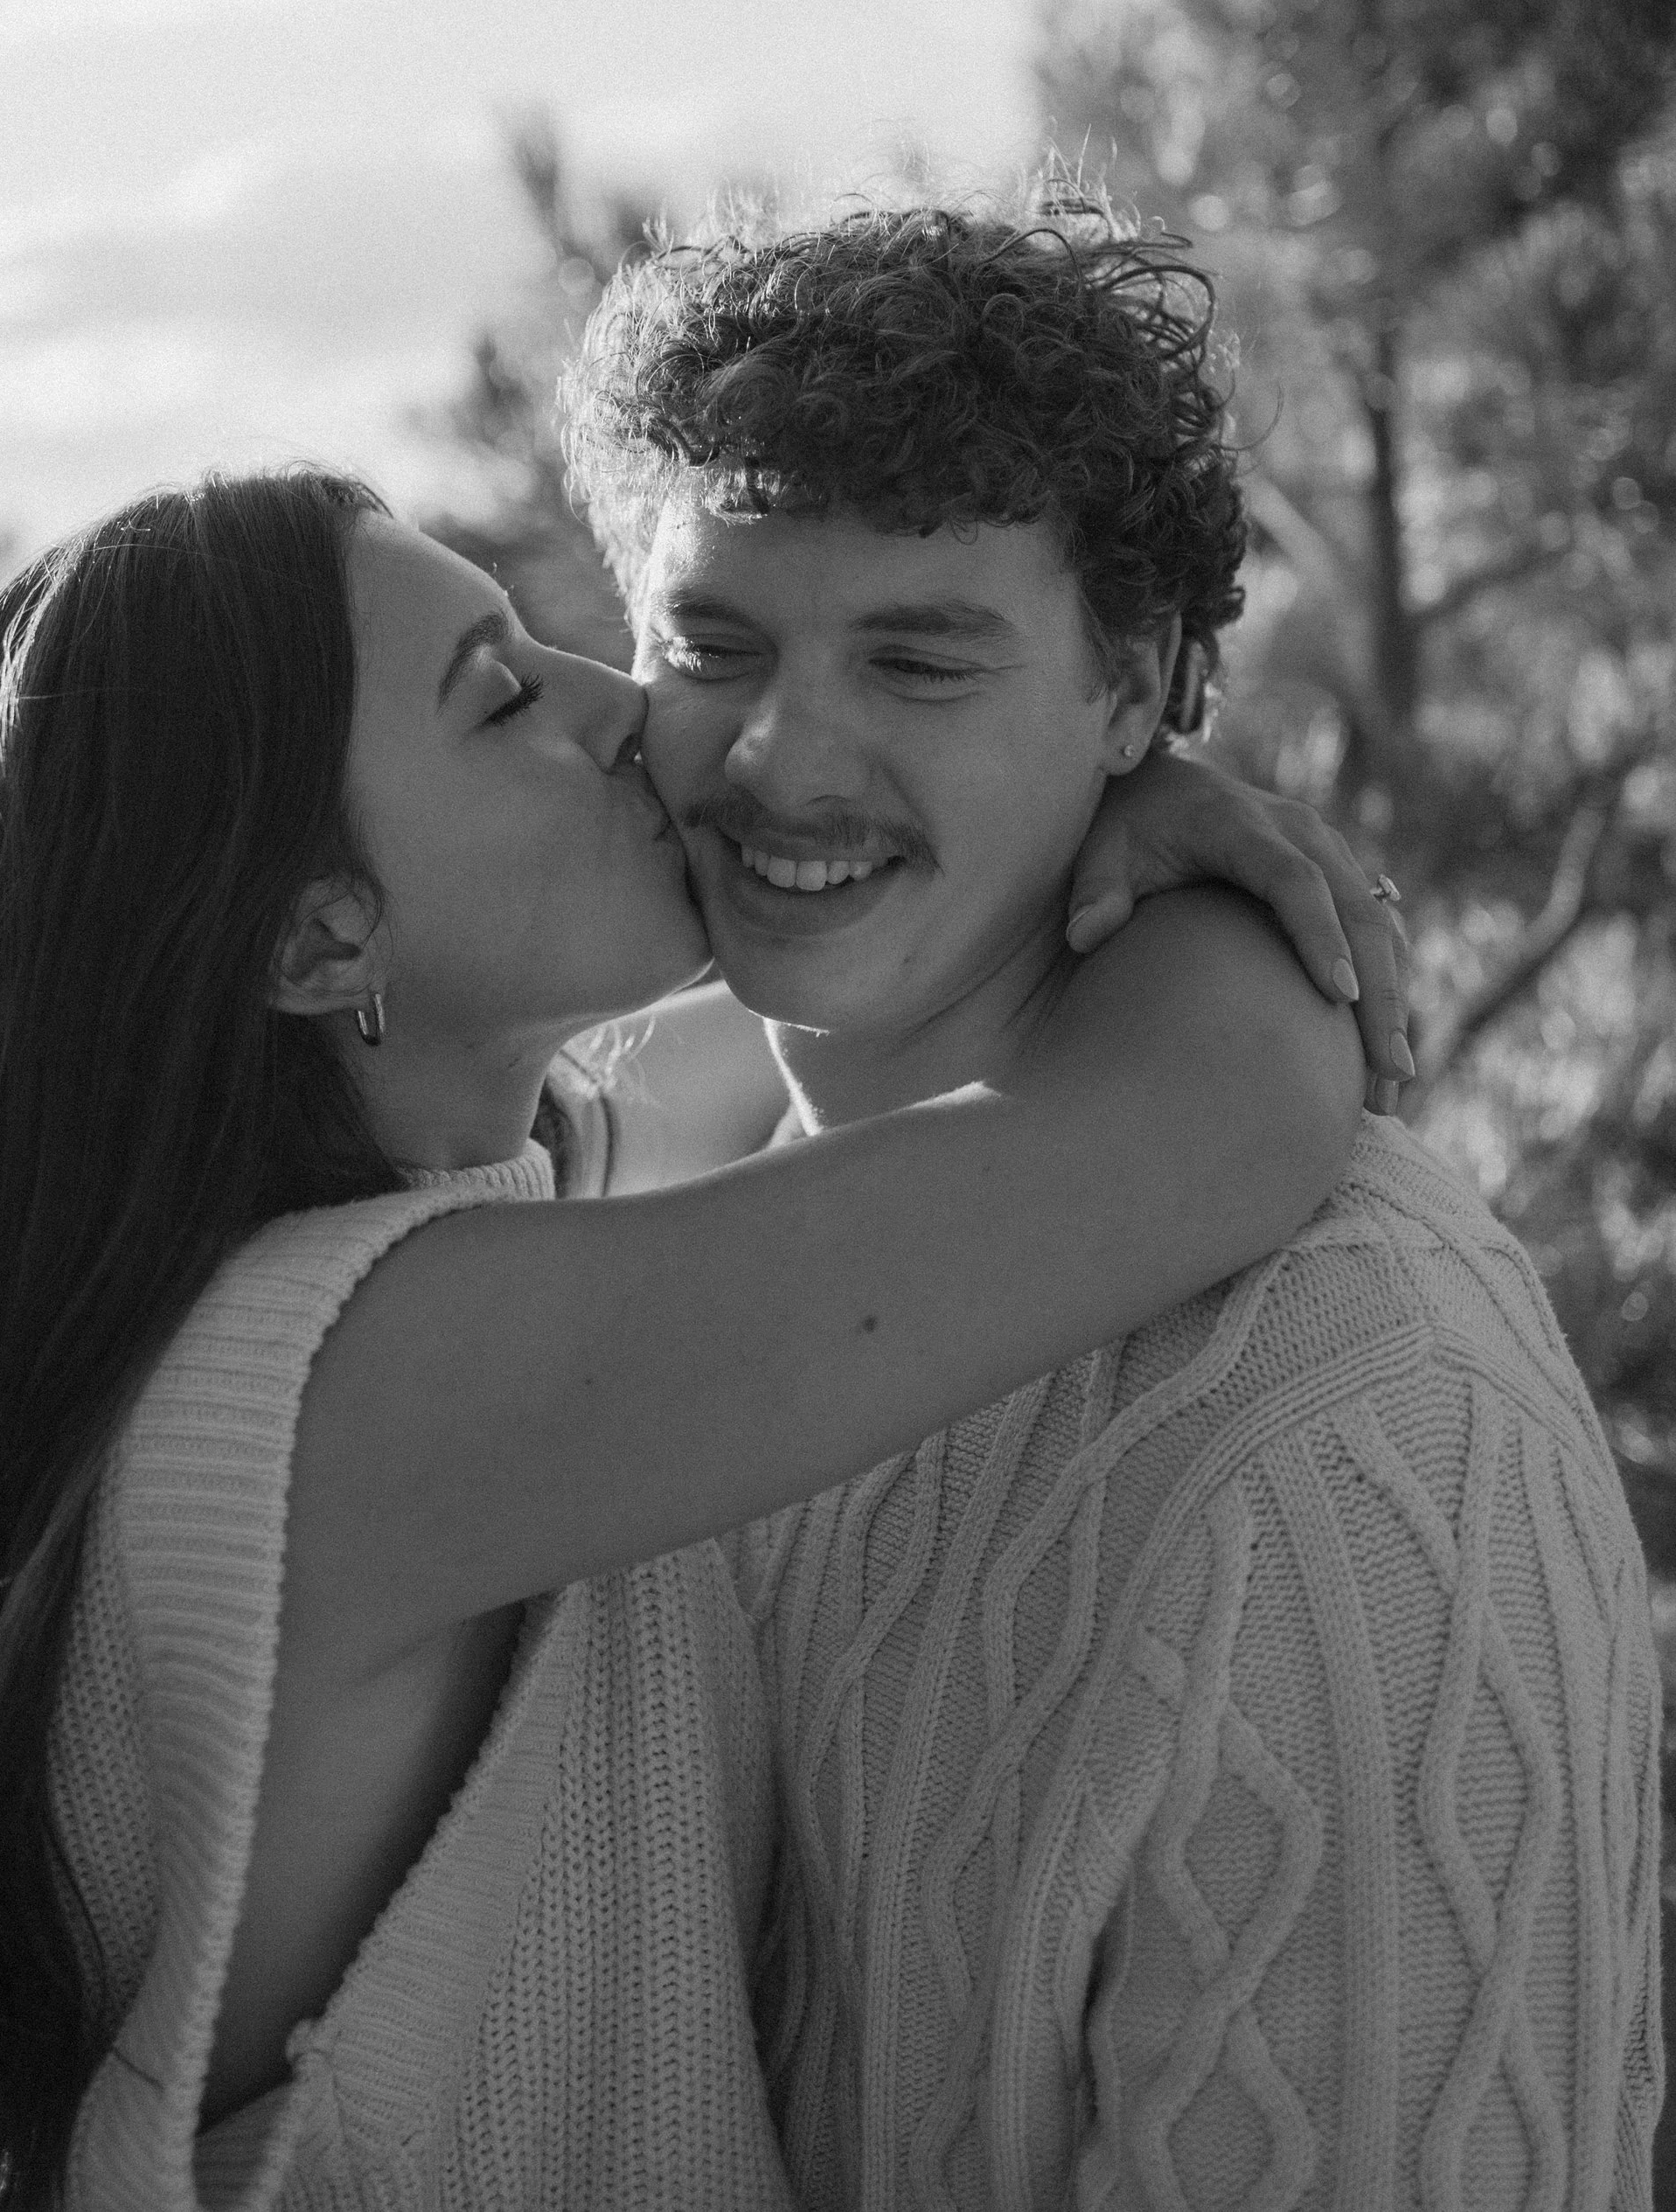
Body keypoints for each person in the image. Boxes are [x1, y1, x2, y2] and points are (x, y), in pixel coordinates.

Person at [0, 465, 1397, 2212]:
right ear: (318, 936)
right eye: (502, 697)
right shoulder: (374, 1390)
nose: (630, 710)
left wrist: (1077, 798)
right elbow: (1219, 1118)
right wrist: (1144, 829)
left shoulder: (297, 1338)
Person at [563, 195, 1666, 2211]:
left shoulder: (1344, 1425)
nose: (780, 751)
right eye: (712, 641)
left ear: (1137, 689)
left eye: (919, 659)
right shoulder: (681, 1214)